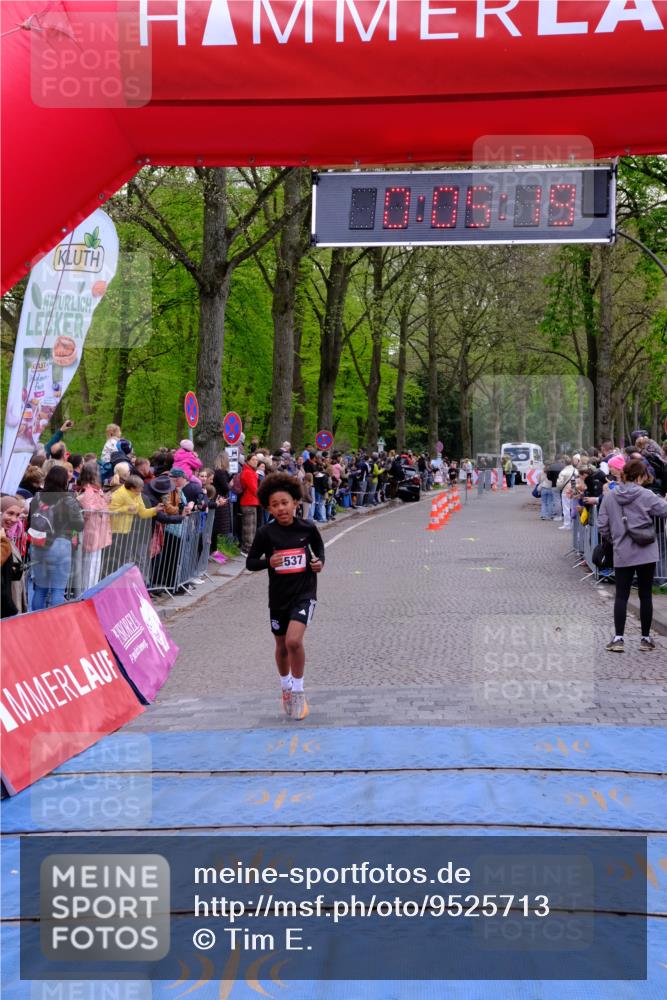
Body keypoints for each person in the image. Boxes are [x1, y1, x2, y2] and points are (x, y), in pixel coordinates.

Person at [246, 473, 325, 721]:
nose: (281, 508)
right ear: (268, 508)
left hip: (304, 593)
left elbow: (319, 552)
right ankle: (286, 687)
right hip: (278, 597)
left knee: (293, 641)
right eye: (275, 505)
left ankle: (299, 692)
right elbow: (250, 563)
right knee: (281, 646)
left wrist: (318, 563)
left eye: (285, 503)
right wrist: (268, 561)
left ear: (295, 503)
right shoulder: (265, 533)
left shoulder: (308, 528)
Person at [597, 458, 667, 653]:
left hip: (622, 551)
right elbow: (664, 511)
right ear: (641, 476)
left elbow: (602, 524)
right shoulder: (647, 495)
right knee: (645, 595)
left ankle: (618, 638)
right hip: (646, 550)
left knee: (621, 595)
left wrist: (616, 538)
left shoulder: (610, 496)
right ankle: (645, 639)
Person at [28, 465, 84, 610]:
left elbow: (30, 520)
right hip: (60, 545)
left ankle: (35, 623)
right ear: (65, 481)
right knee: (58, 590)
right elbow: (79, 525)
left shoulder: (37, 497)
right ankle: (54, 626)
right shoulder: (69, 500)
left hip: (38, 544)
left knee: (40, 589)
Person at [76, 461, 111, 590]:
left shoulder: (94, 490)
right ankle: (88, 592)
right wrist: (104, 502)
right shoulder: (89, 491)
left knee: (94, 565)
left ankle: (91, 590)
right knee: (90, 566)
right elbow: (89, 509)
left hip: (97, 532)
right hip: (92, 532)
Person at [1, 495, 27, 617]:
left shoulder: (6, 538)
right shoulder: (4, 540)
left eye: (17, 515)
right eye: (10, 513)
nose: (14, 519)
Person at [239, 453, 261, 553]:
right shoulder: (248, 472)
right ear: (248, 461)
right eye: (253, 459)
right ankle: (247, 548)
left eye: (256, 460)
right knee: (249, 527)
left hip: (251, 501)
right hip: (248, 501)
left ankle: (250, 547)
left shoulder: (251, 471)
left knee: (252, 526)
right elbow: (254, 488)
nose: (255, 461)